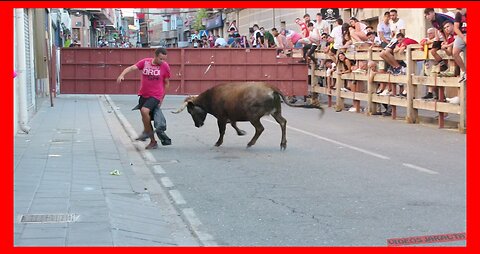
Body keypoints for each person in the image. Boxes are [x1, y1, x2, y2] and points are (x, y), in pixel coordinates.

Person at [116, 47, 172, 149]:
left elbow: (167, 83)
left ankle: (146, 131)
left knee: (144, 111)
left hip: (156, 95)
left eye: (164, 59)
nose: (162, 61)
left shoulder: (165, 66)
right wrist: (122, 75)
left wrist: (162, 98)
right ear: (155, 56)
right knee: (146, 118)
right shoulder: (145, 62)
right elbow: (131, 68)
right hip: (143, 94)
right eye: (161, 59)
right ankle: (153, 141)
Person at [453, 8, 466, 83]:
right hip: (462, 34)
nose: (461, 11)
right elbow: (456, 28)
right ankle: (464, 71)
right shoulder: (459, 14)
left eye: (461, 9)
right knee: (455, 52)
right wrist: (463, 37)